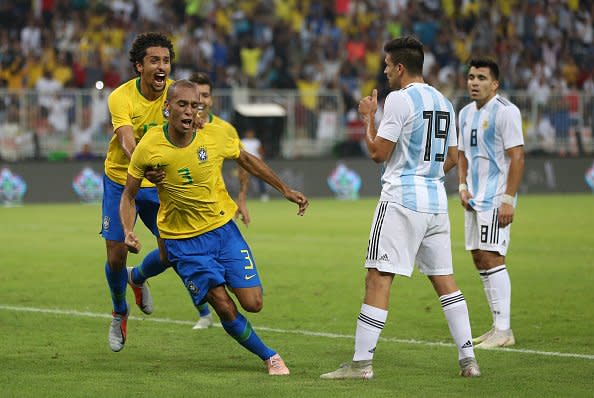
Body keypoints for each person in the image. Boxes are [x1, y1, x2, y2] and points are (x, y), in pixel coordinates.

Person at [120, 79, 309, 375]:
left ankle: (139, 276)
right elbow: (129, 194)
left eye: (194, 106)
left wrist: (284, 189)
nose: (188, 111)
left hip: (222, 231)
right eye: (181, 104)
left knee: (253, 303)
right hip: (182, 242)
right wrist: (127, 230)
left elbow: (246, 159)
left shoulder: (215, 136)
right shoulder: (150, 146)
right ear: (167, 108)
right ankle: (269, 356)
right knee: (222, 303)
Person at [320, 36, 480, 380]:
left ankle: (361, 365)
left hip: (401, 200)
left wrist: (368, 118)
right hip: (436, 203)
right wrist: (427, 174)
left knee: (378, 278)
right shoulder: (444, 101)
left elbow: (378, 152)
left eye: (388, 65)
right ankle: (469, 361)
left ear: (401, 67)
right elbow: (453, 158)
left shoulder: (398, 100)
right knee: (445, 281)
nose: (385, 70)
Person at [103, 32, 174, 352]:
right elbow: (126, 140)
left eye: (166, 61)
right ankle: (119, 311)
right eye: (154, 60)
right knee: (116, 255)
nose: (162, 66)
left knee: (173, 251)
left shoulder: (175, 95)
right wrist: (143, 165)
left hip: (158, 182)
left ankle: (139, 277)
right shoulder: (121, 97)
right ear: (139, 67)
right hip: (121, 178)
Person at [457, 57, 525, 348]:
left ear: (495, 84)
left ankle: (504, 330)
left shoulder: (506, 112)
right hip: (473, 197)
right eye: (471, 76)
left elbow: (517, 156)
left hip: (496, 197)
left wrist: (508, 200)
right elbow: (460, 154)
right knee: (479, 257)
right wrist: (461, 185)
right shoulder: (464, 113)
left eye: (482, 78)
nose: (474, 82)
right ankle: (497, 326)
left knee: (493, 256)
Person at [241, 128, 269, 201]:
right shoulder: (243, 141)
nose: (250, 134)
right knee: (245, 180)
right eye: (248, 133)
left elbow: (260, 151)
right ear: (246, 134)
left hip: (256, 163)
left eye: (251, 133)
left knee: (261, 178)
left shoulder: (256, 141)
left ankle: (263, 194)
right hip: (246, 163)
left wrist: (261, 160)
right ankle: (245, 195)